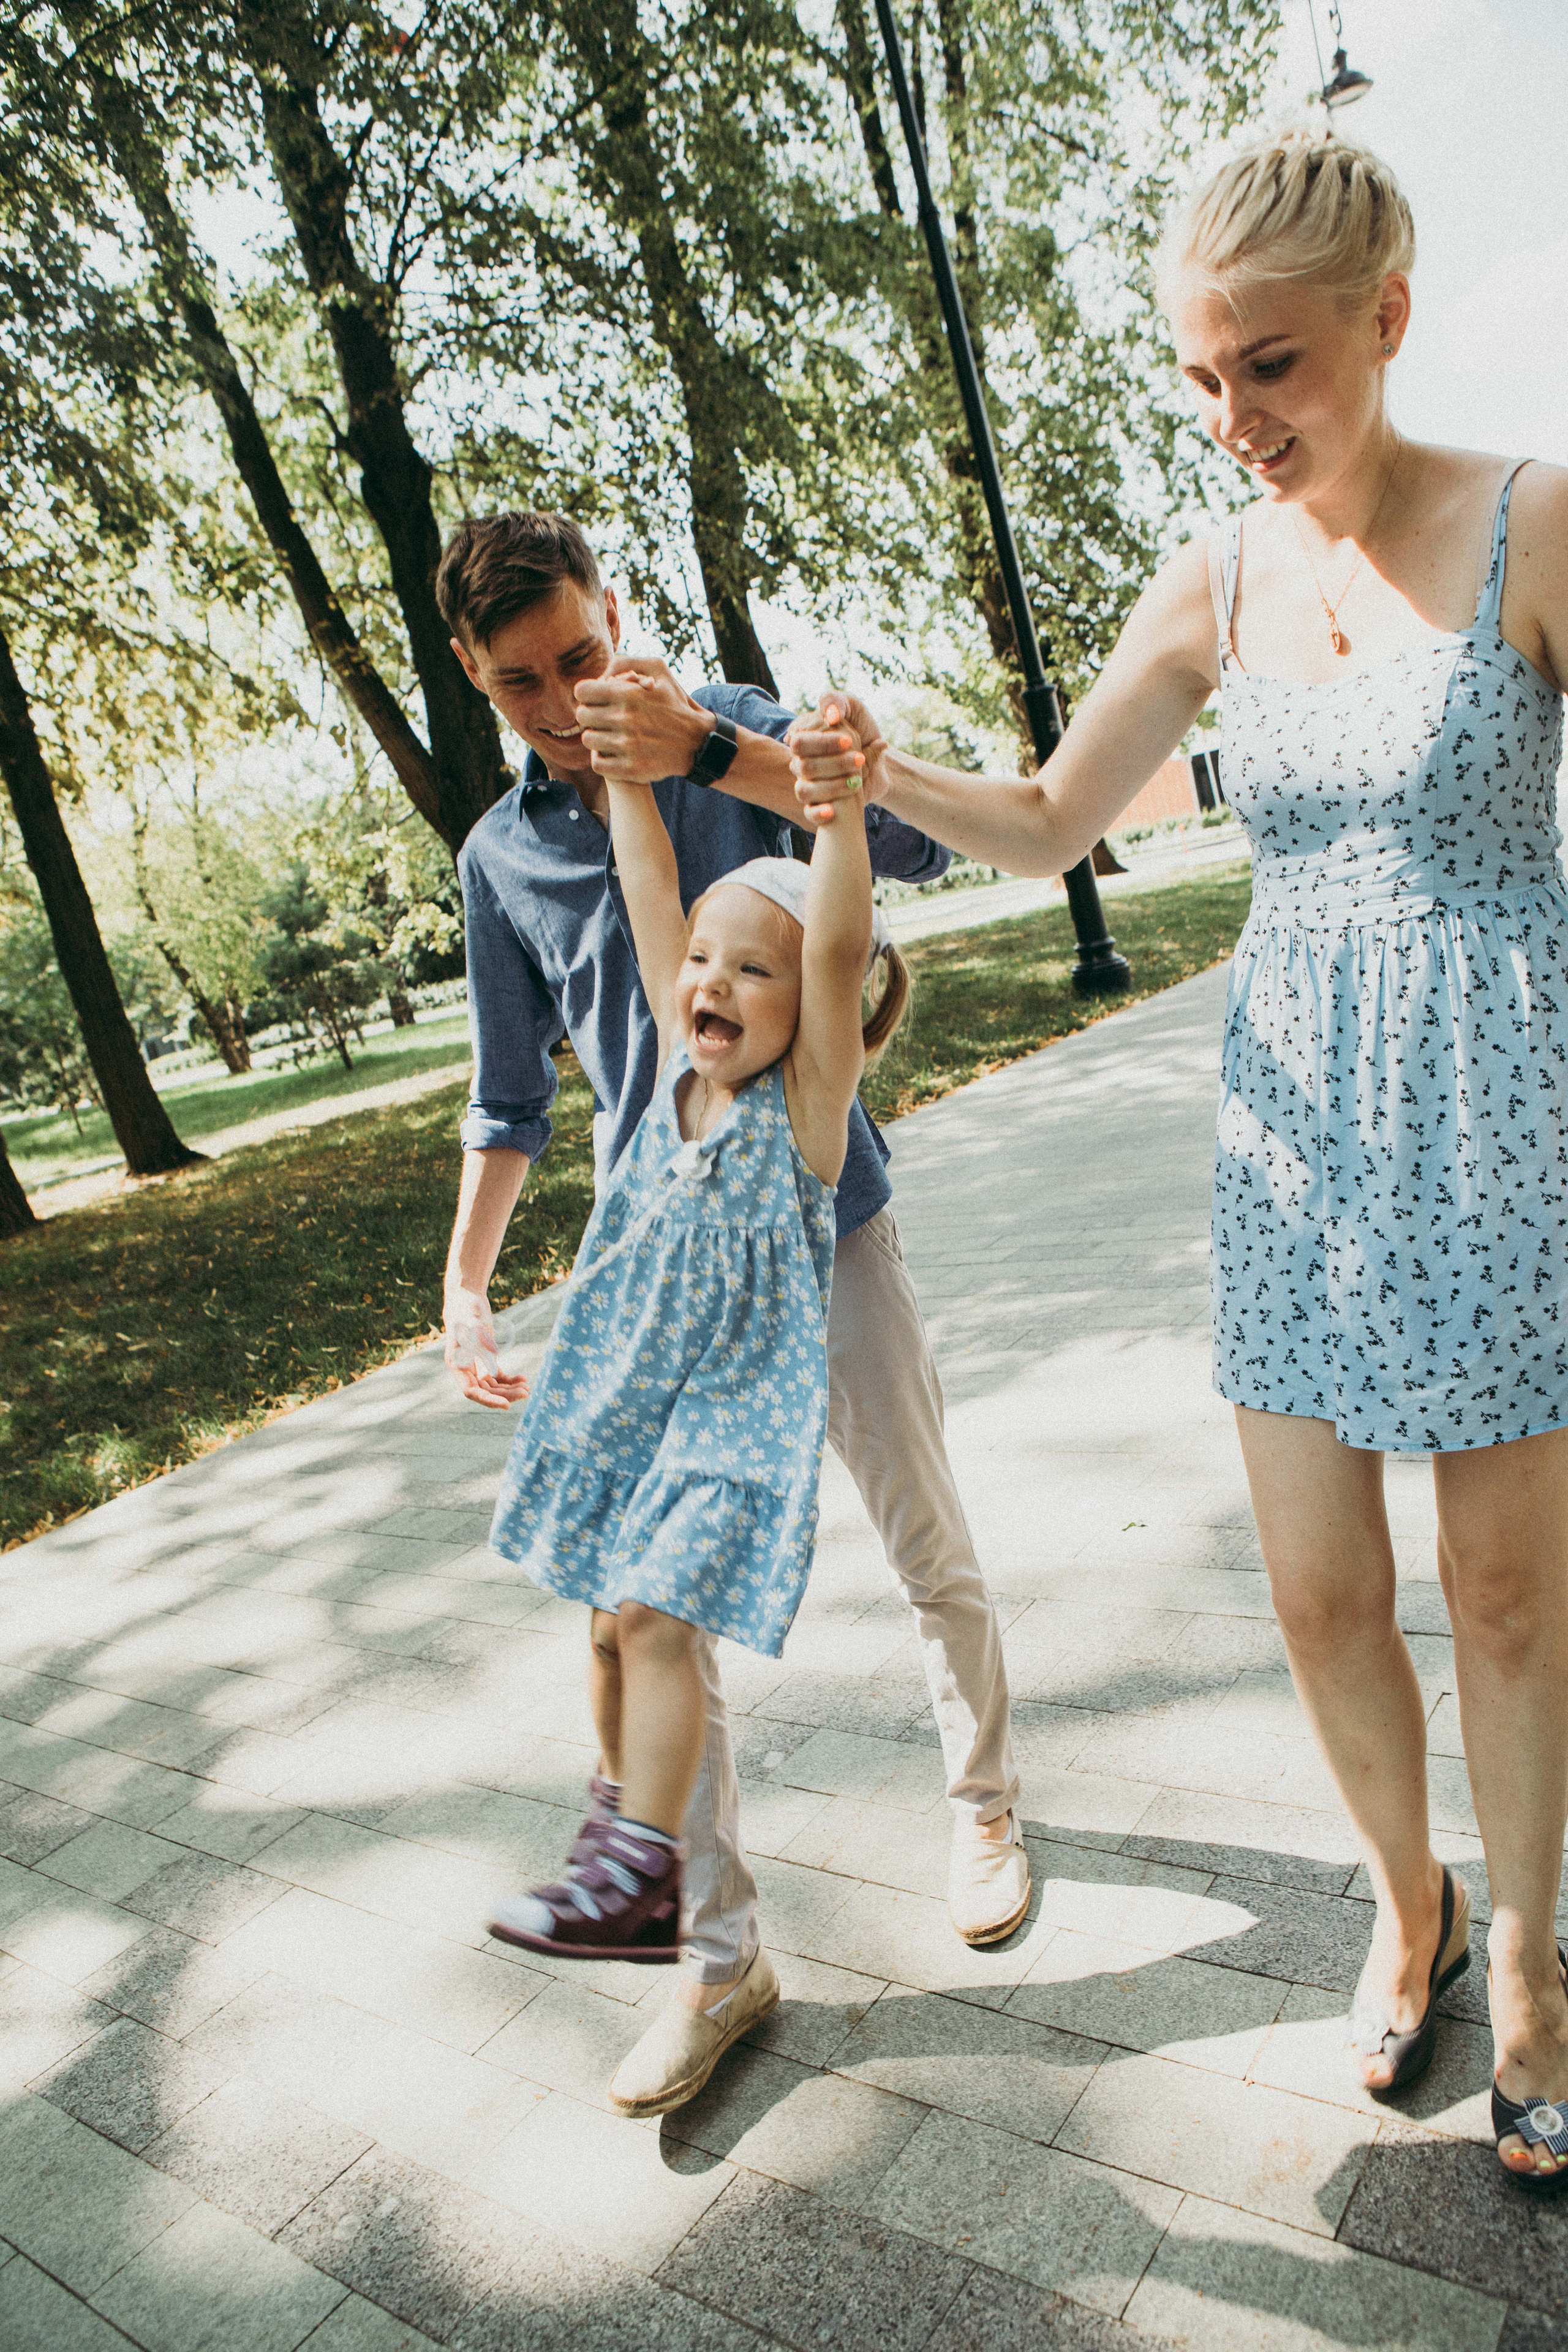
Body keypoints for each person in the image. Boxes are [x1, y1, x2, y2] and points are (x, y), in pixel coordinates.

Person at [791, 126, 1568, 2188]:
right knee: (1325, 1602)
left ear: (1386, 325)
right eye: (1204, 383)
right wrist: (880, 776)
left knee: (1501, 1596)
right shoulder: (1213, 582)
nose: (1234, 422)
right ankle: (1414, 1906)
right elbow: (1053, 820)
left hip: (1506, 1125)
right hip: (1295, 1147)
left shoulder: (1535, 523)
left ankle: (1540, 1977)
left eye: (1276, 371)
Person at [436, 513, 1027, 2118]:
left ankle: (984, 1801)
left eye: (578, 658)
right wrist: (471, 1280)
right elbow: (514, 1093)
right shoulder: (508, 859)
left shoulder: (726, 732)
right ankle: (715, 1956)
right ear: (479, 684)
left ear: (610, 618)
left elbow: (893, 855)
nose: (562, 700)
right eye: (522, 684)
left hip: (824, 1241)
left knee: (920, 1530)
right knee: (637, 1620)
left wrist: (704, 748)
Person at [484, 719, 896, 1967]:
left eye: (747, 972)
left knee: (656, 1618)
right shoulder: (675, 1067)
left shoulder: (807, 1111)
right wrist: (620, 765)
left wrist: (831, 813)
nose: (710, 980)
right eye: (700, 963)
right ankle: (620, 1852)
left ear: (813, 1007)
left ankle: (638, 1873)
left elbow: (833, 940)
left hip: (734, 1417)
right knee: (610, 1623)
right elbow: (646, 880)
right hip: (632, 1402)